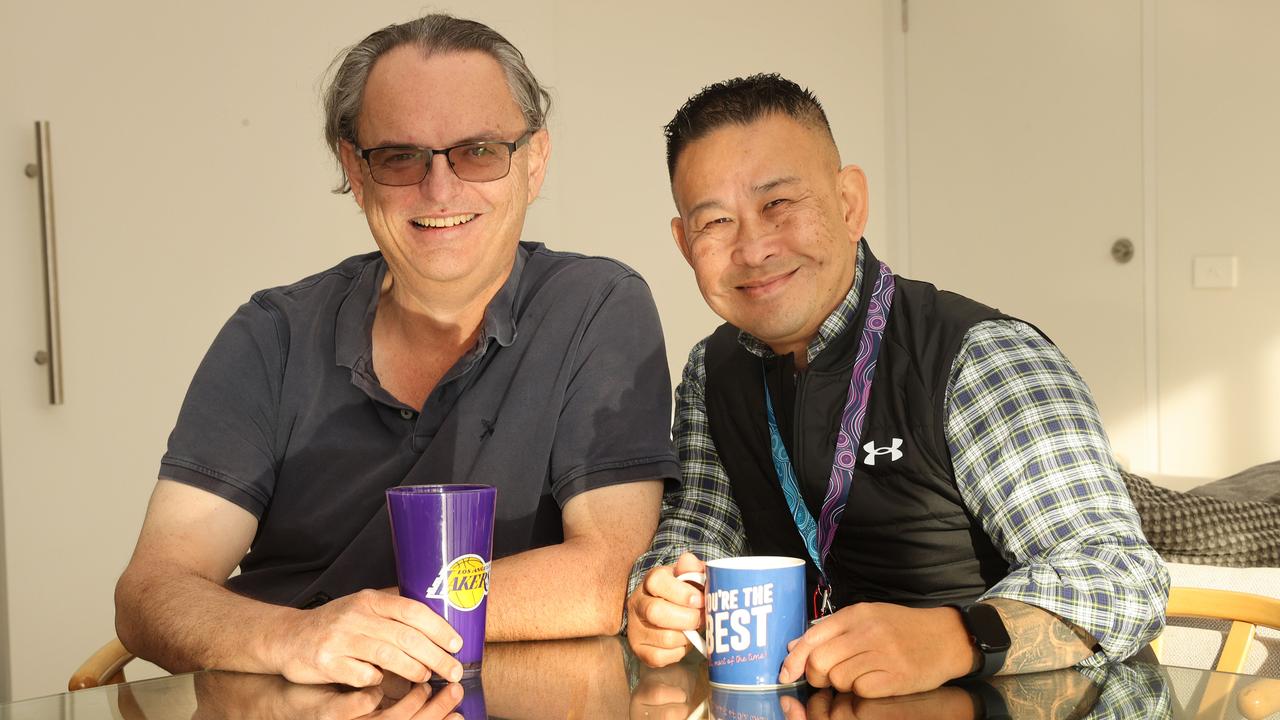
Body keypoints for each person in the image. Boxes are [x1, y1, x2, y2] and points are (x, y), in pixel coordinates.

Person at [115, 14, 678, 688]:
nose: (440, 190)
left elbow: (604, 576)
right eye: (400, 157)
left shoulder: (596, 305)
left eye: (478, 151)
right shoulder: (272, 335)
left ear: (534, 162)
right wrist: (291, 635)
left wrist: (374, 622)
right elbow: (150, 591)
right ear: (356, 171)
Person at [625, 74, 1169, 698]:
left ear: (850, 202)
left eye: (778, 205)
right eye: (716, 221)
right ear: (683, 242)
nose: (752, 248)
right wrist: (662, 593)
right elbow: (698, 525)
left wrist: (958, 637)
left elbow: (1122, 578)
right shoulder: (711, 371)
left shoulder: (981, 357)